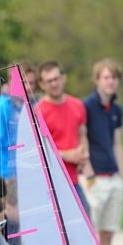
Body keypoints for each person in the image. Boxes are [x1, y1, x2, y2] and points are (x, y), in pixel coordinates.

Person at [35, 61, 91, 215]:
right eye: (49, 81)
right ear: (42, 85)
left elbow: (82, 134)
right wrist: (66, 155)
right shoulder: (38, 112)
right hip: (51, 184)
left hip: (73, 180)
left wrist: (83, 151)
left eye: (56, 78)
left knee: (86, 223)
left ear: (63, 78)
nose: (54, 84)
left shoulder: (77, 105)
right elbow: (38, 151)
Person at [83, 59, 123, 245]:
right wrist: (89, 173)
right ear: (97, 80)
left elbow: (117, 142)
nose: (111, 82)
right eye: (107, 77)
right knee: (89, 231)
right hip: (95, 178)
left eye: (114, 78)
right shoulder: (87, 106)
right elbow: (82, 139)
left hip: (113, 176)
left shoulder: (116, 110)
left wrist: (121, 174)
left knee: (108, 232)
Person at [0, 62, 36, 177]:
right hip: (3, 178)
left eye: (31, 83)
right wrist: (7, 176)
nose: (28, 88)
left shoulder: (27, 107)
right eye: (23, 83)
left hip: (24, 175)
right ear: (11, 82)